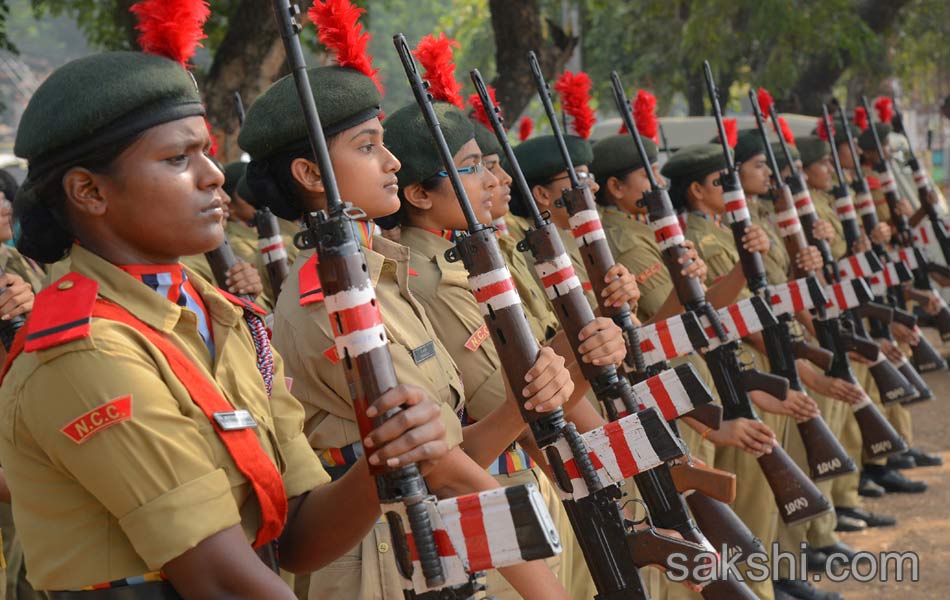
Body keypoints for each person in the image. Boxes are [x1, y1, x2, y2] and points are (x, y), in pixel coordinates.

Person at [1, 50, 457, 599]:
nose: (214, 175)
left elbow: (296, 536)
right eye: (177, 159)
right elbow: (220, 579)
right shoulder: (86, 351)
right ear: (89, 191)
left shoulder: (220, 316)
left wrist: (382, 460)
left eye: (207, 154)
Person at [239, 43, 571, 600]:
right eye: (368, 148)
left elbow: (446, 439)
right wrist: (541, 583)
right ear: (309, 172)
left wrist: (537, 392)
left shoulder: (377, 279)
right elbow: (434, 461)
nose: (392, 162)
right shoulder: (330, 301)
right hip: (387, 552)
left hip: (440, 529)